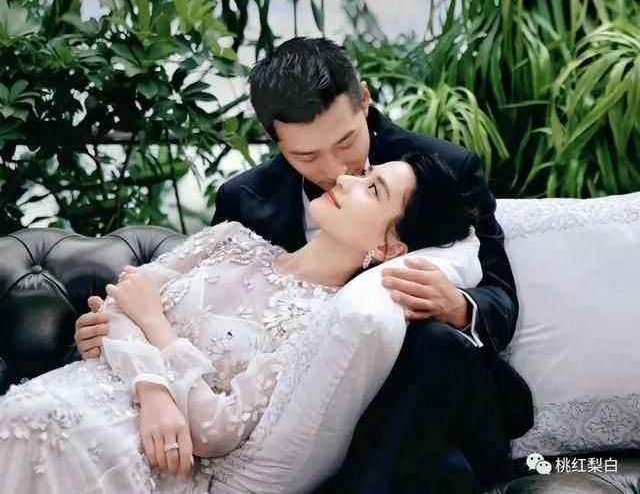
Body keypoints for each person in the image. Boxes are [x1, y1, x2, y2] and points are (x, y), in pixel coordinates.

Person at [73, 37, 534, 493]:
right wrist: (116, 328)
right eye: (306, 156)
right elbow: (208, 320)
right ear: (274, 139)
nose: (335, 171)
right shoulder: (244, 201)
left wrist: (458, 305)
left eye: (346, 142)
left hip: (421, 392)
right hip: (289, 421)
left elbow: (500, 295)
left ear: (365, 101)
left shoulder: (442, 167)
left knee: (430, 346)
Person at [0, 152, 477, 493]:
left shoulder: (318, 322)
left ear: (389, 248)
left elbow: (216, 427)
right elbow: (122, 299)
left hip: (145, 447)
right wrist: (153, 387)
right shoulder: (230, 239)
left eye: (372, 190)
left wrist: (154, 325)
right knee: (23, 415)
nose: (346, 180)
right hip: (84, 394)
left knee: (38, 424)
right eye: (365, 174)